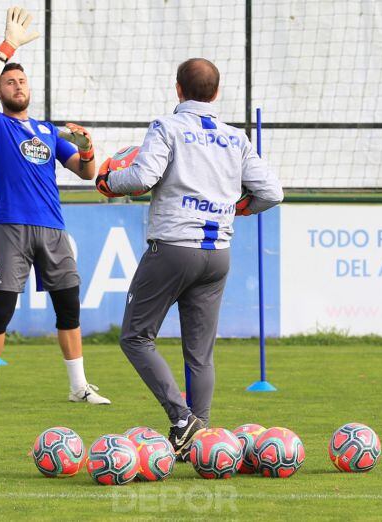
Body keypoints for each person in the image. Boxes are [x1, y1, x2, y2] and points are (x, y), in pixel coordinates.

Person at [98, 58, 283, 457]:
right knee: (199, 354)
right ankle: (202, 443)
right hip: (217, 256)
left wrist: (109, 180)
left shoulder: (167, 127)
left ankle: (183, 420)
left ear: (178, 90)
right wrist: (240, 209)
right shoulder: (237, 138)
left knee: (135, 337)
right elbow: (273, 192)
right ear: (216, 93)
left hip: (173, 249)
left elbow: (143, 177)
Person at [0, 6, 109, 407]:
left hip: (53, 227)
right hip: (12, 226)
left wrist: (87, 149)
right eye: (9, 82)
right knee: (2, 309)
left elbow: (86, 173)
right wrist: (8, 44)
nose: (17, 86)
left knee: (68, 305)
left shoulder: (49, 131)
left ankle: (79, 386)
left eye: (21, 80)